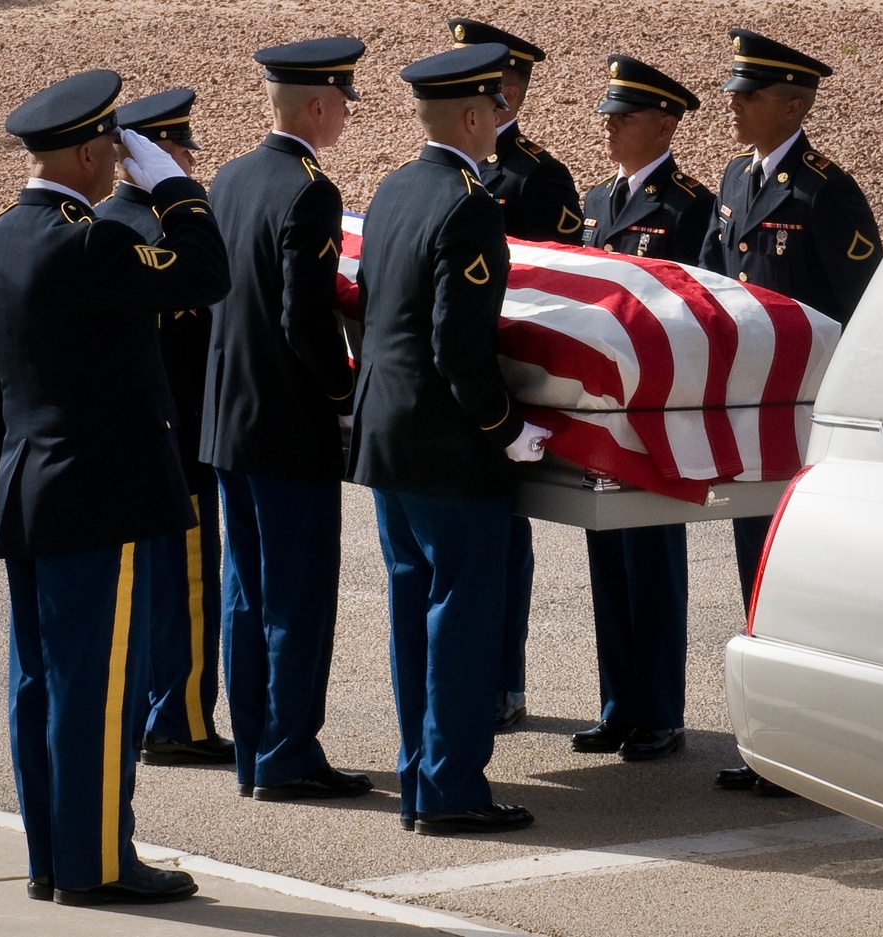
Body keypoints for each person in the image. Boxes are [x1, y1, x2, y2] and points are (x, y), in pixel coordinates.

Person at [0, 69, 230, 905]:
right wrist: (178, 186)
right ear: (83, 152)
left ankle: (53, 857)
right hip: (101, 496)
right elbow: (203, 272)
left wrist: (11, 466)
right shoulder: (89, 242)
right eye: (111, 149)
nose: (118, 161)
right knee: (98, 690)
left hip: (30, 486)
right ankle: (98, 865)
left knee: (39, 682)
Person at [347, 42, 549, 836]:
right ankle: (454, 788)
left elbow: (370, 308)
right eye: (495, 108)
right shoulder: (468, 202)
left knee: (412, 610)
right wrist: (509, 428)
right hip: (448, 445)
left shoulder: (394, 188)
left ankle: (420, 777)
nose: (502, 119)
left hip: (388, 436)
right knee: (461, 619)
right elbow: (457, 345)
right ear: (471, 116)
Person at [699, 29, 883, 794]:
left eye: (750, 94)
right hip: (755, 415)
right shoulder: (737, 180)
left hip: (808, 422)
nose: (734, 105)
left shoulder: (825, 192)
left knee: (797, 587)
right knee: (755, 575)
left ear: (795, 103)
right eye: (735, 92)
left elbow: (862, 312)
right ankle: (769, 744)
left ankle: (804, 749)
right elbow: (714, 288)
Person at [199, 38, 373, 802]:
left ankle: (255, 749)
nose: (344, 115)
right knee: (296, 594)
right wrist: (344, 394)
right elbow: (305, 320)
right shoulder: (309, 190)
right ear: (315, 106)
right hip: (286, 426)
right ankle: (288, 753)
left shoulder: (230, 178)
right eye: (341, 102)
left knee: (247, 591)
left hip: (231, 421)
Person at [572, 56, 713, 762]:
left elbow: (699, 311)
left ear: (664, 122)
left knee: (653, 560)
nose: (610, 124)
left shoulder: (689, 206)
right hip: (605, 412)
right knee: (609, 560)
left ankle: (660, 710)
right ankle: (618, 704)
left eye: (624, 116)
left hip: (657, 415)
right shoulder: (596, 202)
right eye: (608, 114)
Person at [446, 16, 582, 732]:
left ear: (511, 94)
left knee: (501, 541)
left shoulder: (538, 178)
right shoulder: (446, 170)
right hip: (457, 377)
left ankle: (504, 679)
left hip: (506, 381)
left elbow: (559, 293)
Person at [94, 89, 234, 767]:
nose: (186, 162)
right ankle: (181, 719)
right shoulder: (162, 232)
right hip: (180, 439)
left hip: (129, 439)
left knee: (145, 588)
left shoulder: (96, 222)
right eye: (179, 151)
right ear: (156, 155)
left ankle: (156, 708)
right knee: (187, 589)